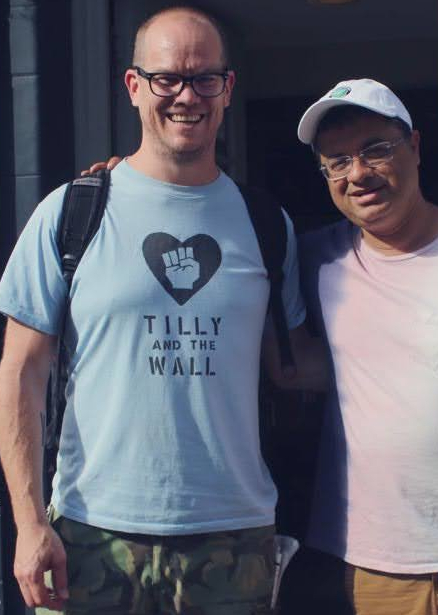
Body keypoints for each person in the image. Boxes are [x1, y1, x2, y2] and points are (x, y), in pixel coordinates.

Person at [0, 6, 323, 614]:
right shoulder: (71, 214)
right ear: (133, 86)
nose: (185, 95)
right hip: (90, 532)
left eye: (205, 78)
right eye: (166, 78)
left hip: (232, 536)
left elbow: (295, 364)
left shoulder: (265, 225)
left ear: (227, 90)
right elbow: (21, 374)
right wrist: (27, 523)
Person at [297, 78, 438, 615]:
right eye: (337, 161)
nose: (358, 173)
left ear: (416, 147)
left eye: (376, 150)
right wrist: (131, 181)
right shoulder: (311, 259)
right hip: (376, 564)